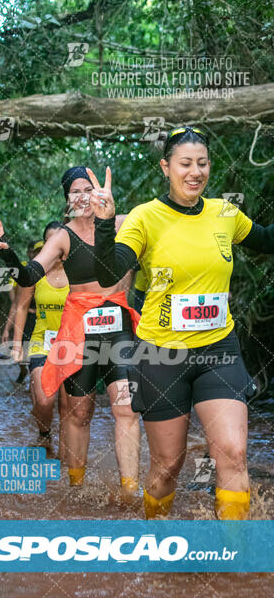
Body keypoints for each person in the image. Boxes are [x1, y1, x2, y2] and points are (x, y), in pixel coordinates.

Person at [89, 126, 274, 520]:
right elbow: (109, 273)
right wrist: (105, 223)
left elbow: (267, 240)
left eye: (202, 163)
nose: (195, 172)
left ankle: (233, 556)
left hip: (218, 350)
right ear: (166, 167)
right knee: (167, 468)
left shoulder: (224, 213)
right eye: (185, 163)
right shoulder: (145, 217)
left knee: (233, 454)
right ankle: (157, 540)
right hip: (162, 354)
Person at [0, 166, 141, 499]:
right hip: (78, 330)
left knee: (126, 406)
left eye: (90, 189)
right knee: (79, 411)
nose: (83, 196)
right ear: (67, 200)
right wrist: (7, 254)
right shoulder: (62, 237)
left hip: (118, 326)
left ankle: (130, 491)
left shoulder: (124, 223)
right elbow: (27, 277)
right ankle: (77, 488)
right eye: (75, 191)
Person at [10, 222, 69, 459]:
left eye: (59, 240)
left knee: (69, 407)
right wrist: (16, 344)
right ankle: (44, 433)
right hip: (41, 342)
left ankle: (66, 459)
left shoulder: (79, 272)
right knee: (44, 400)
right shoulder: (35, 272)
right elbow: (21, 306)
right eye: (49, 241)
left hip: (73, 345)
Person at [2, 240, 41, 383]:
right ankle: (24, 372)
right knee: (22, 354)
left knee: (35, 354)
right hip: (26, 318)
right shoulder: (25, 273)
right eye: (36, 251)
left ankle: (34, 381)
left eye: (41, 251)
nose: (38, 254)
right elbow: (16, 304)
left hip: (43, 320)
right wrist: (7, 329)